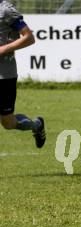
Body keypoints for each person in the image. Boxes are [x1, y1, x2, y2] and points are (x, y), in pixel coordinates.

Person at [0, 0, 45, 148]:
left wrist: (2, 49)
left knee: (8, 123)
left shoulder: (6, 10)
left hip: (4, 75)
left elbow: (28, 37)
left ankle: (37, 125)